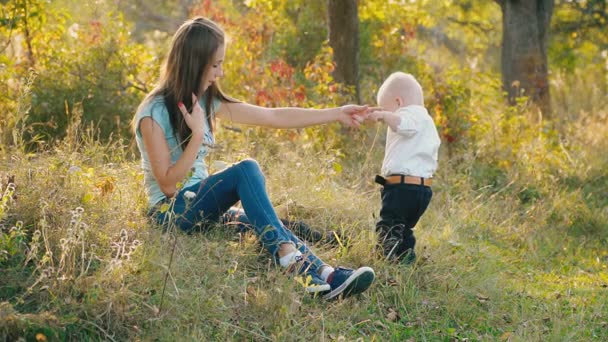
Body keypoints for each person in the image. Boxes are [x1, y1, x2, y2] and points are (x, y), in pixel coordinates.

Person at [132, 17, 375, 300]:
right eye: (215, 65)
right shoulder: (153, 112)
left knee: (265, 221)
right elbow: (168, 186)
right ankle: (289, 257)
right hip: (169, 213)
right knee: (245, 169)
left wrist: (336, 113)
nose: (220, 73)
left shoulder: (205, 101)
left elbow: (273, 116)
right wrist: (197, 134)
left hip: (204, 207)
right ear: (193, 62)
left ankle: (326, 276)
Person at [366, 72, 441, 264]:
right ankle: (405, 259)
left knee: (389, 223)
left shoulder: (410, 114)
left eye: (388, 108)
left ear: (399, 102)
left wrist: (384, 115)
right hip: (422, 190)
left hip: (401, 188)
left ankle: (384, 258)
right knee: (404, 229)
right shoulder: (428, 122)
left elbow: (404, 124)